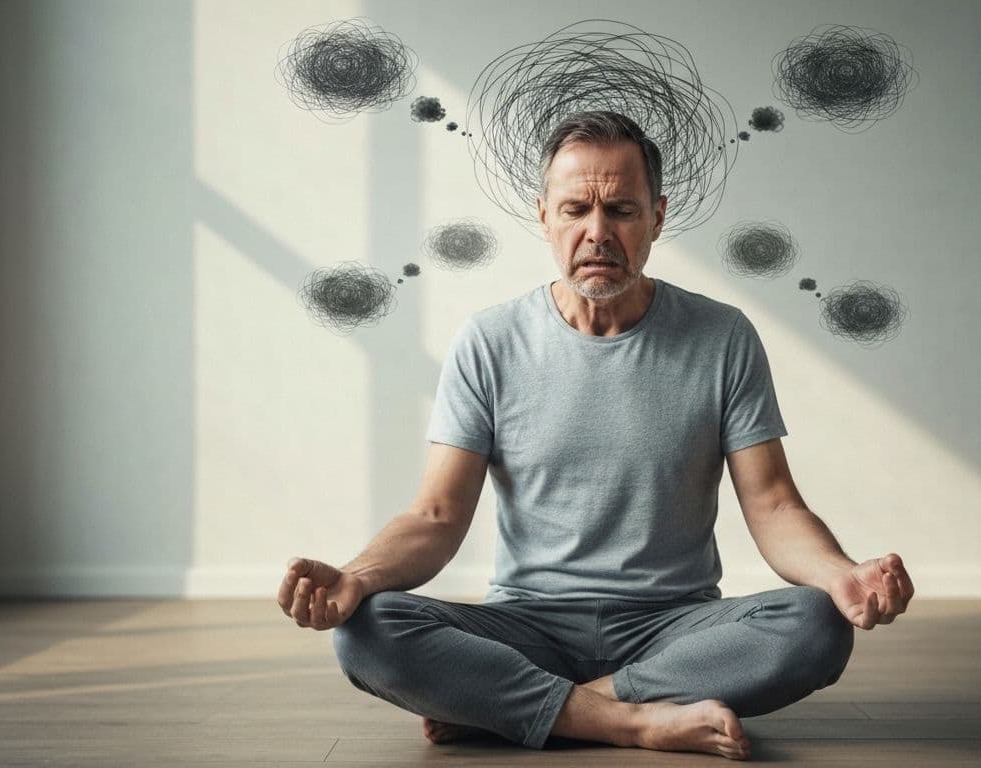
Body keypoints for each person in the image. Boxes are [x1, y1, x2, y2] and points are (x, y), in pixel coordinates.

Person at [277, 111, 914, 761]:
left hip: (673, 630)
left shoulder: (723, 337)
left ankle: (527, 708)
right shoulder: (489, 341)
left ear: (657, 217)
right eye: (576, 209)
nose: (598, 232)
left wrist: (842, 576)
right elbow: (435, 516)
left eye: (622, 210)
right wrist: (355, 577)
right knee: (367, 629)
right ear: (544, 216)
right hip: (527, 626)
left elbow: (775, 506)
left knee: (817, 624)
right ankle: (633, 721)